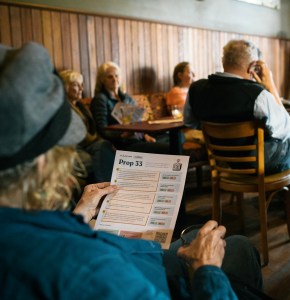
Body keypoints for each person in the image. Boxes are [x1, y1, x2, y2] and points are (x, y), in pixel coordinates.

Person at [0, 42, 264, 299]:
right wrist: (206, 270)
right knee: (238, 247)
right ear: (43, 162)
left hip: (124, 254)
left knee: (196, 236)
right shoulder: (86, 266)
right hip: (139, 271)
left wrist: (79, 216)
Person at [184, 39, 290, 217]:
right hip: (255, 162)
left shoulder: (196, 89)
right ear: (252, 66)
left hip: (224, 162)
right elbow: (285, 129)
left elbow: (191, 122)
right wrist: (269, 83)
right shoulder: (257, 95)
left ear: (224, 61)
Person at [90, 61, 169, 154]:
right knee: (170, 147)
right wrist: (122, 135)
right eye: (110, 77)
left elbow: (137, 122)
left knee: (175, 137)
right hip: (123, 143)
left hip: (137, 138)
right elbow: (102, 130)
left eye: (116, 76)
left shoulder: (127, 98)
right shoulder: (100, 99)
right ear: (102, 80)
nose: (114, 79)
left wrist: (145, 136)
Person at [59, 69, 115, 183]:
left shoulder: (81, 106)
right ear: (64, 87)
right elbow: (75, 136)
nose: (81, 88)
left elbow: (91, 132)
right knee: (100, 150)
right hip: (72, 147)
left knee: (104, 146)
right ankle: (104, 188)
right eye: (76, 85)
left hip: (86, 144)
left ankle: (107, 187)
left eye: (82, 85)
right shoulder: (62, 108)